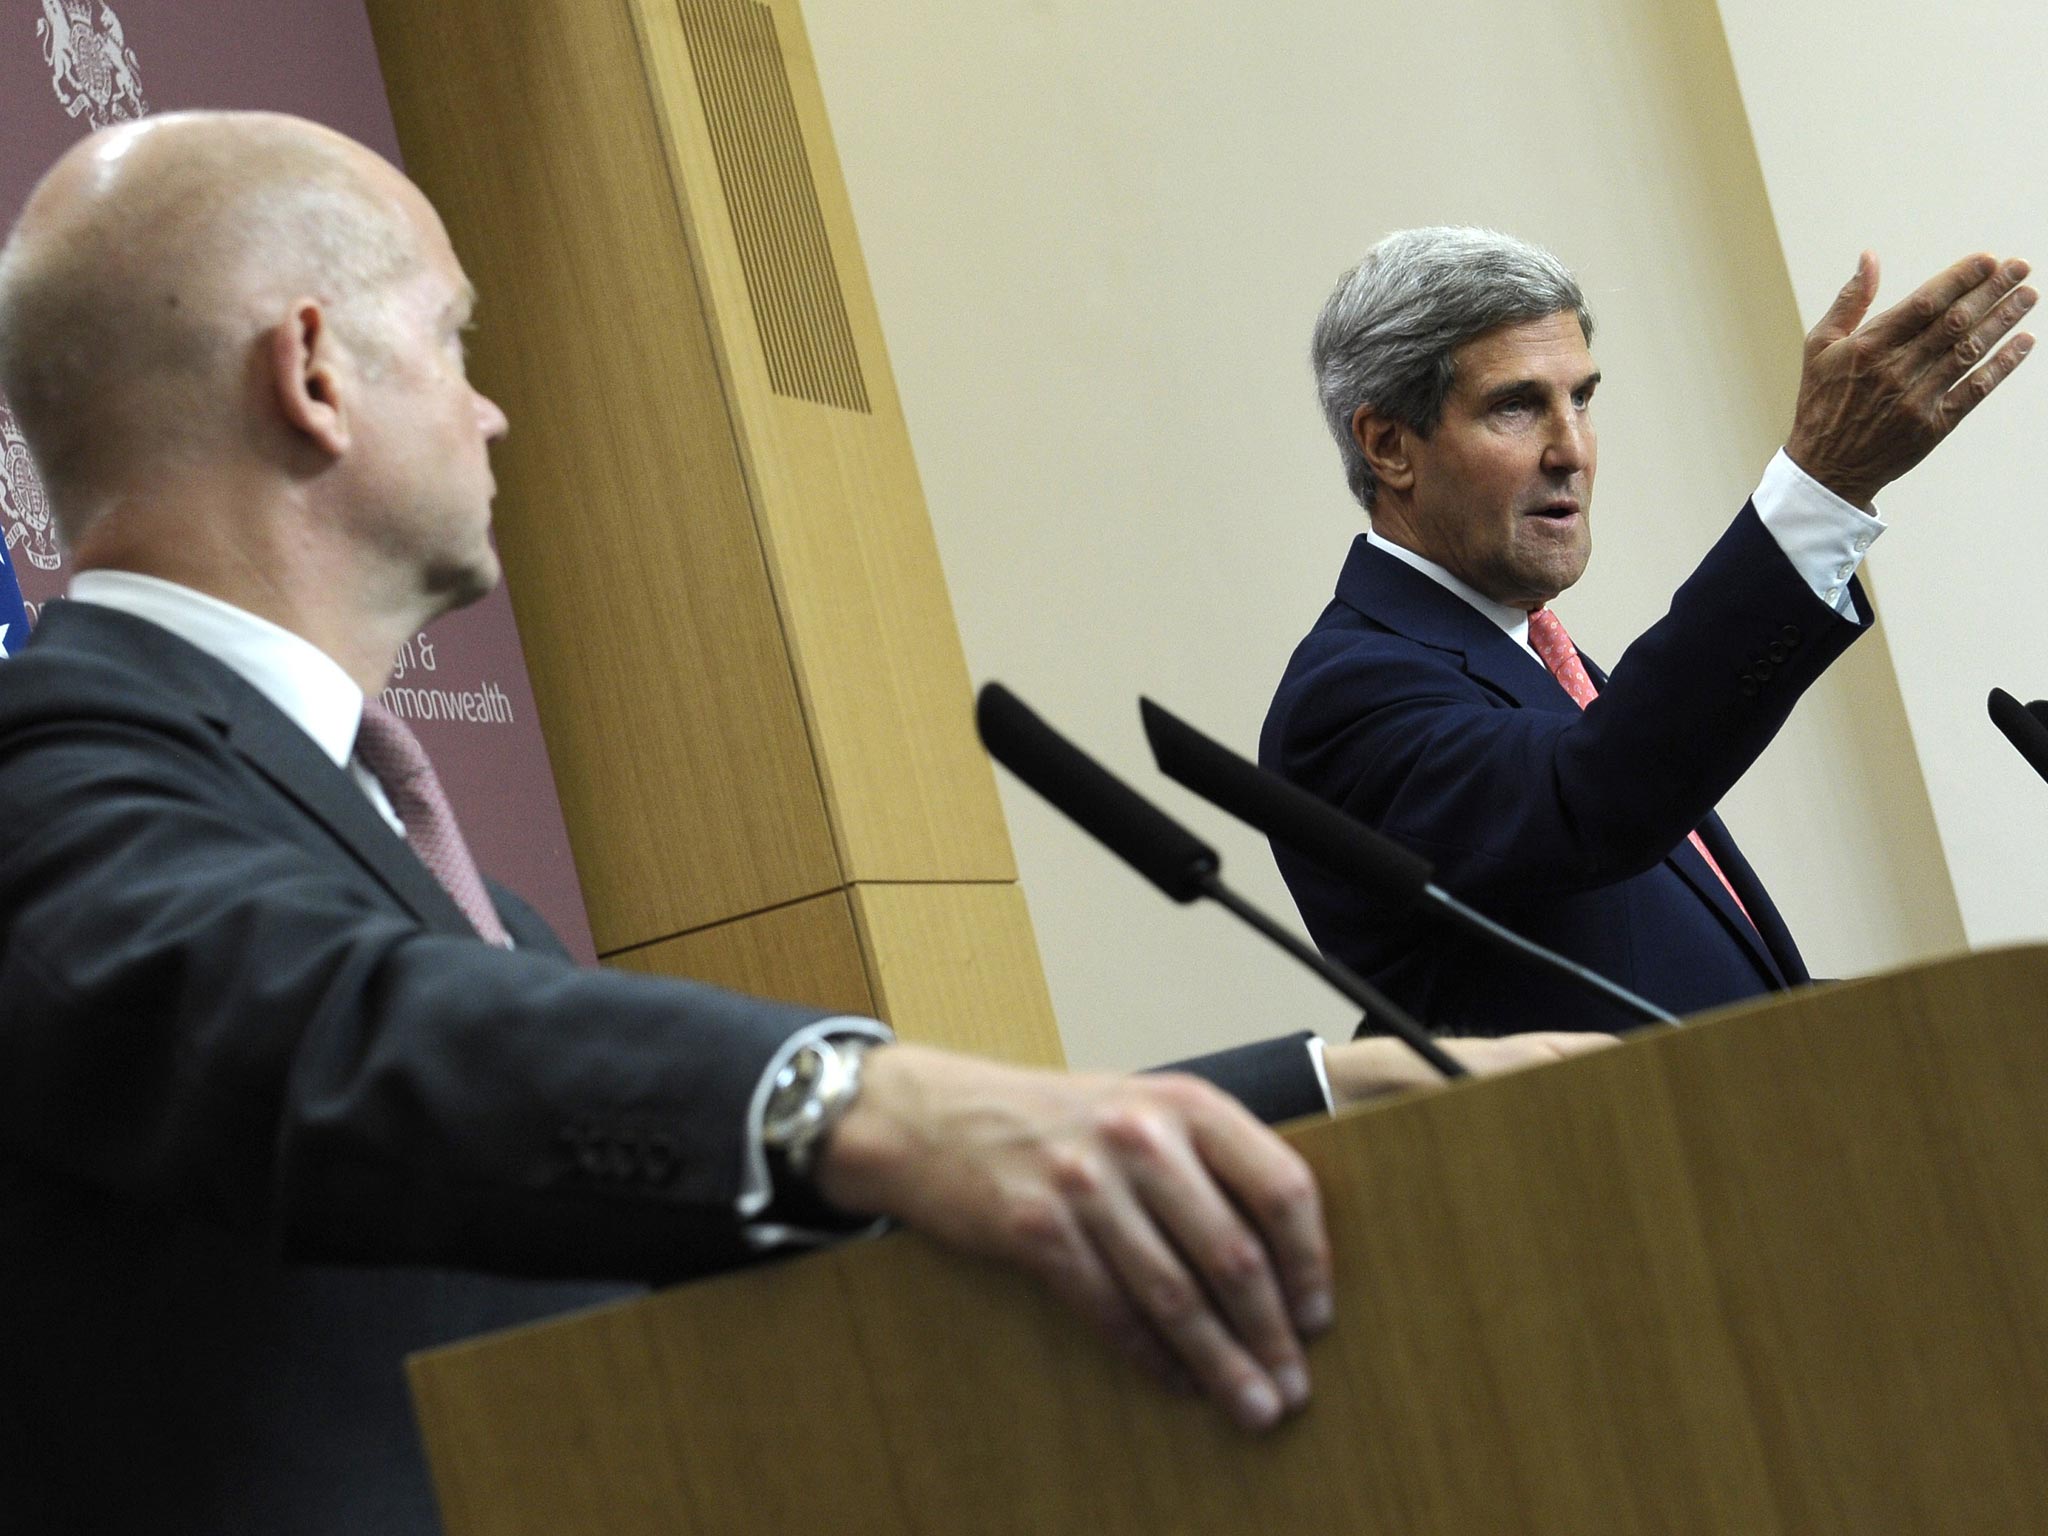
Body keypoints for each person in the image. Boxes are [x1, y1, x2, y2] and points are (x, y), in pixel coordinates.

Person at [0, 118, 1604, 1534]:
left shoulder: (468, 910)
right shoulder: (49, 781)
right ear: (315, 372)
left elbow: (764, 1216)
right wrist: (851, 1101)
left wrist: (1326, 1087)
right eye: (454, 344)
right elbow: (311, 1033)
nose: (495, 417)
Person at [1263, 227, 2032, 1037]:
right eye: (1517, 406)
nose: (1571, 450)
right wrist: (1819, 489)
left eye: (1582, 398)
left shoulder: (1536, 660)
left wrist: (1975, 1022)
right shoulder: (1348, 697)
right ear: (1388, 445)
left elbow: (1688, 993)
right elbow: (1595, 796)